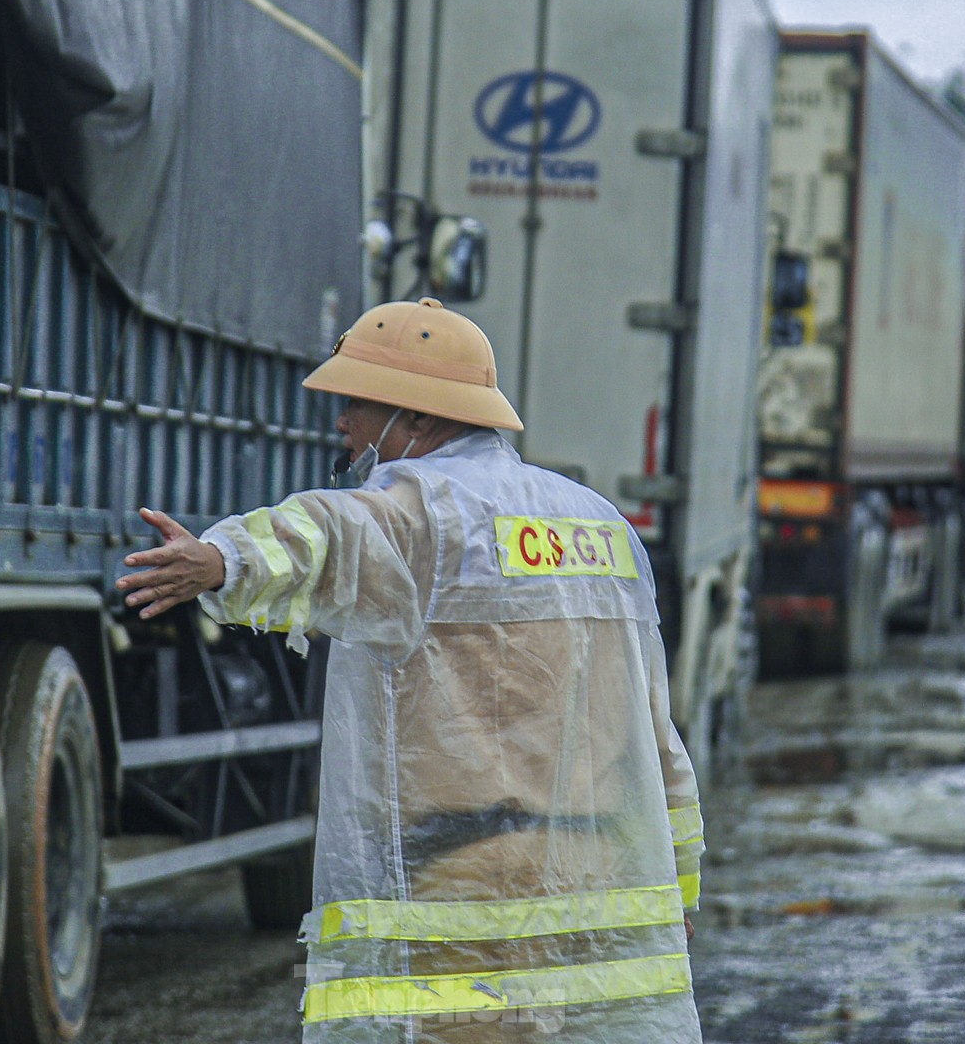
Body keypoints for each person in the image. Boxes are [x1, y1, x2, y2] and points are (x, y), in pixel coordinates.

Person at [118, 297, 704, 1042]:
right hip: (599, 880)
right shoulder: (604, 527)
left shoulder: (426, 511)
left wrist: (221, 559)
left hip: (462, 888)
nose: (343, 425)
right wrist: (678, 888)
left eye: (357, 404)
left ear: (418, 418)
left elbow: (327, 533)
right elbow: (657, 743)